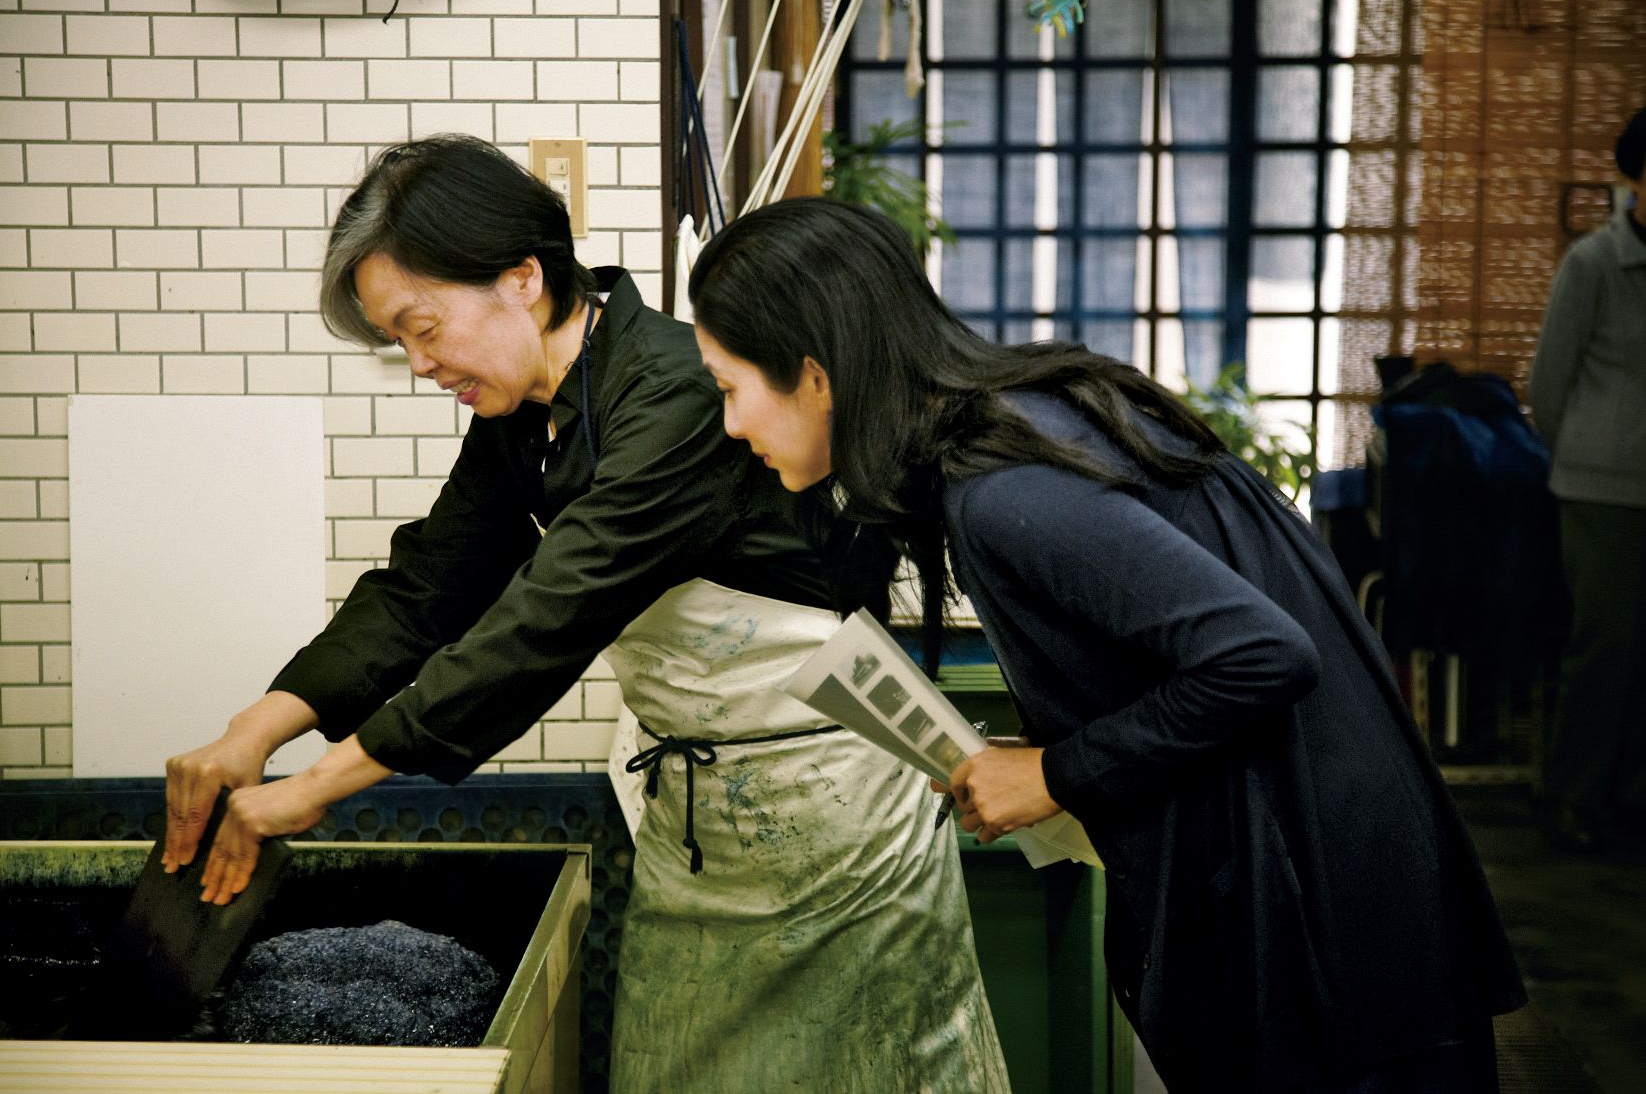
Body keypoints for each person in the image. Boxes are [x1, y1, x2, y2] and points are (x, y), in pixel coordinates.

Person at [161, 136, 1010, 1092]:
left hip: (834, 816)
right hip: (697, 829)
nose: (417, 363)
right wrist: (254, 732)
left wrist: (315, 787)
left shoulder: (681, 393)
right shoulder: (520, 416)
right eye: (399, 341)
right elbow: (425, 587)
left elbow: (546, 617)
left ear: (521, 278)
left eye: (423, 326)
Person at [688, 197, 1527, 1093]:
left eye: (730, 387)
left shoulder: (1004, 488)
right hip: (1333, 885)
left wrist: (1055, 774)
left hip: (1334, 919)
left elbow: (1260, 654)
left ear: (814, 376)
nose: (732, 425)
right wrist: (1055, 756)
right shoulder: (1010, 423)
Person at [1529, 105, 1646, 853]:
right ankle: (1569, 797)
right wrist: (1583, 455)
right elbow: (1548, 385)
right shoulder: (1594, 263)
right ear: (1634, 178)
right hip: (1602, 491)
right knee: (1605, 649)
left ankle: (1628, 803)